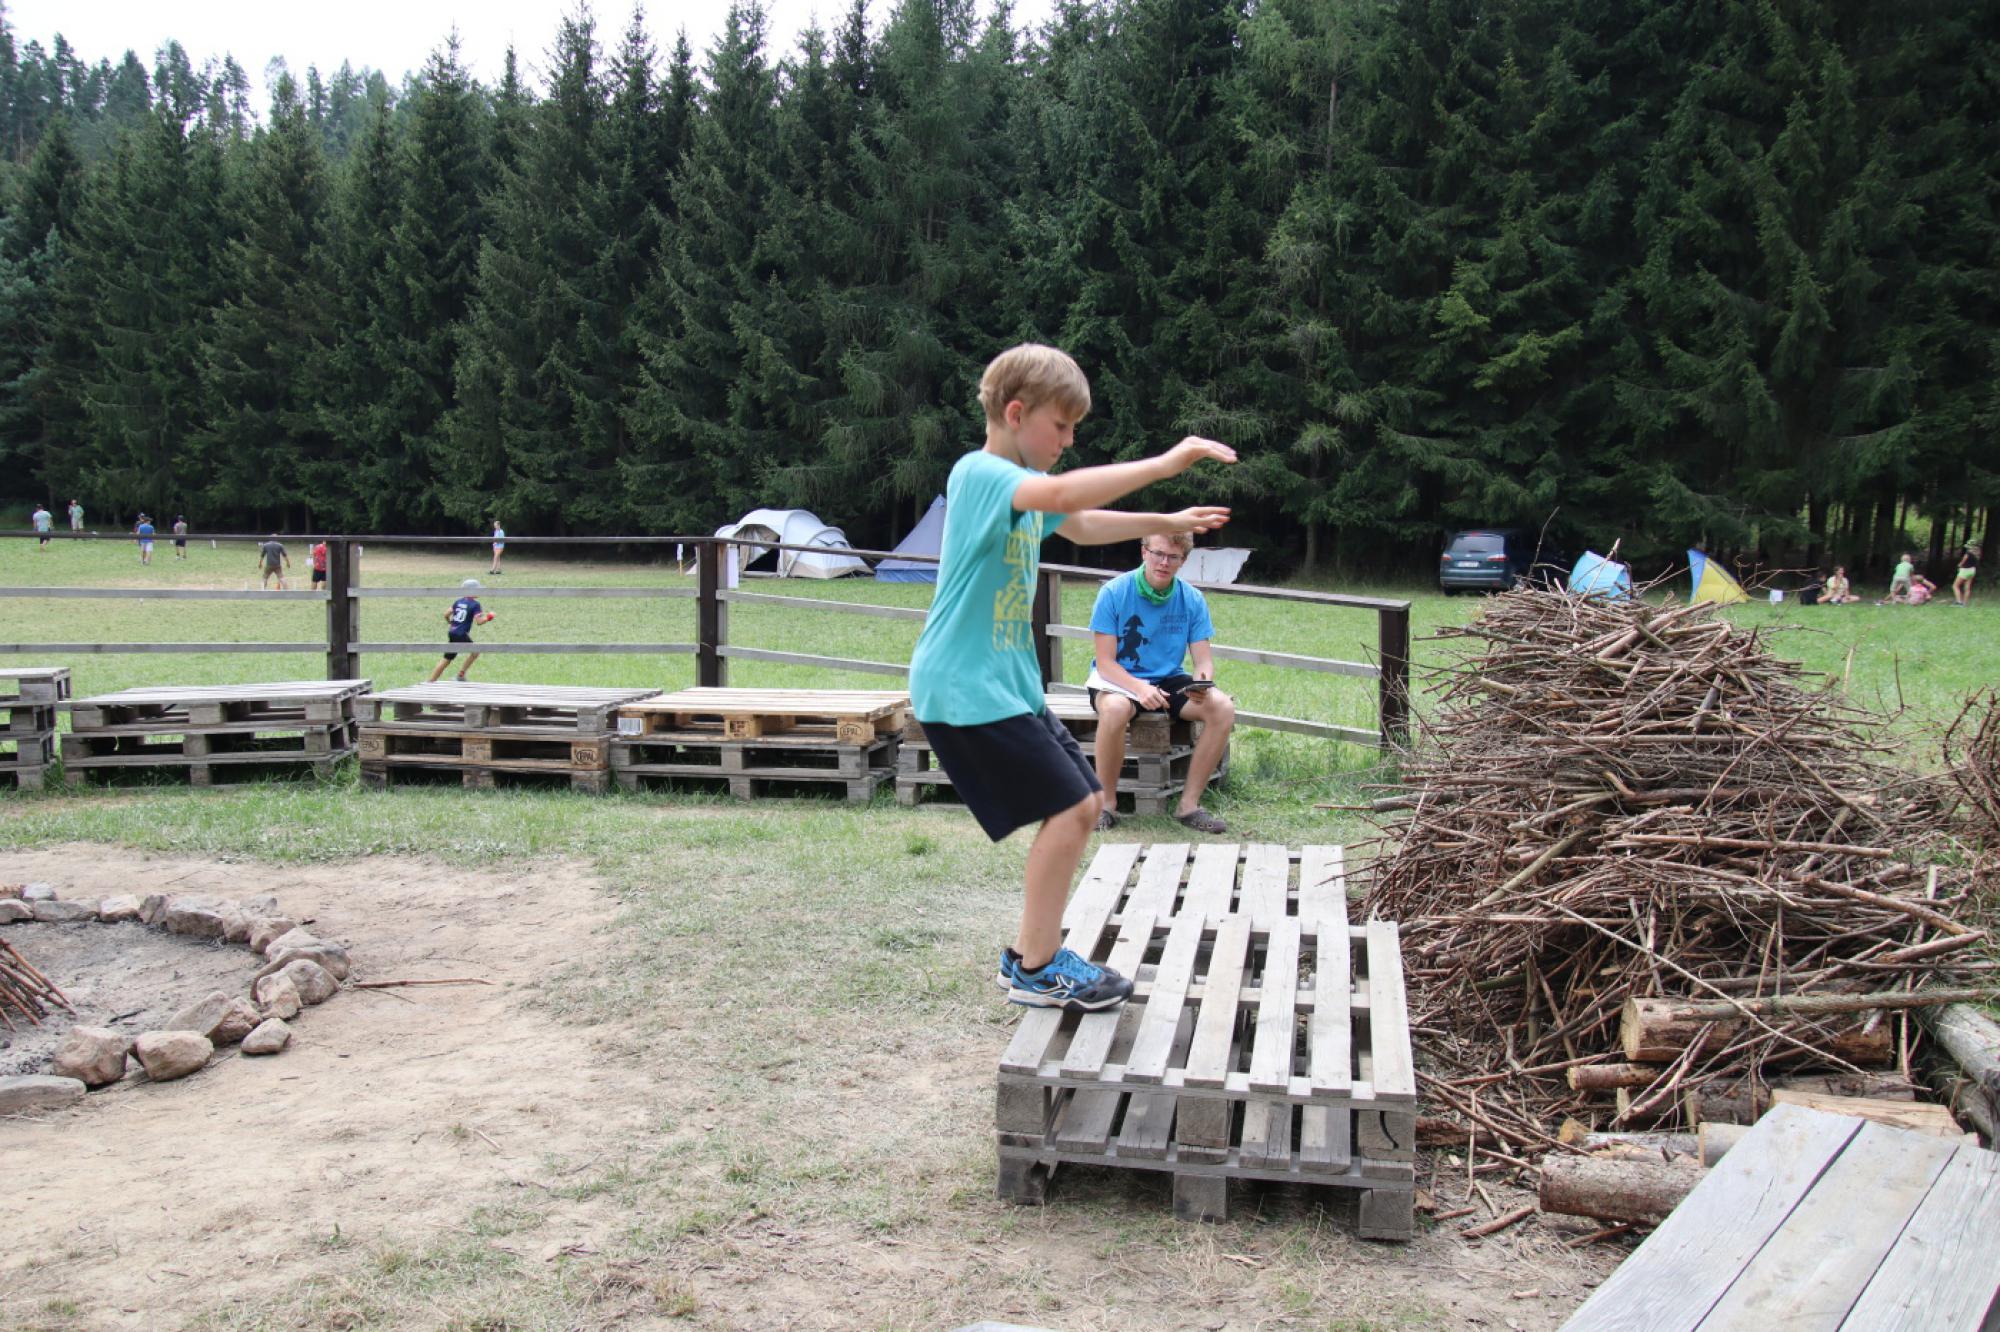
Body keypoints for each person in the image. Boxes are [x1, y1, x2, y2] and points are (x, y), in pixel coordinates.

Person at [907, 343, 1233, 1014]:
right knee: (1075, 807)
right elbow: (1060, 495)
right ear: (1016, 413)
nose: (1069, 440)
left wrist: (1166, 522)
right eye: (1061, 426)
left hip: (1007, 685)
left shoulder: (1024, 492)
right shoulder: (980, 474)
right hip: (963, 686)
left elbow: (1079, 523)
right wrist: (1166, 463)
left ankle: (1029, 957)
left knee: (1082, 803)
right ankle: (1036, 965)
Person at [1086, 530, 1236, 834]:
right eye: (1158, 554)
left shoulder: (1192, 598)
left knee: (1222, 708)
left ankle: (1189, 806)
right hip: (1119, 679)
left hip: (1168, 678)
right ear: (1144, 552)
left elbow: (1203, 661)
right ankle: (1106, 804)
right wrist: (1140, 688)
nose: (1164, 562)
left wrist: (1202, 681)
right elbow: (1105, 663)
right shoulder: (1114, 592)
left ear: (1183, 560)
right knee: (1115, 709)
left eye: (1173, 557)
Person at [428, 578, 497, 681]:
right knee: (475, 652)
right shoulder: (475, 604)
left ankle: (430, 681)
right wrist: (489, 617)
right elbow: (479, 622)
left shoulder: (458, 601)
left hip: (452, 632)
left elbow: (446, 614)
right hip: (461, 634)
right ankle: (461, 675)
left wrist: (450, 623)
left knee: (447, 659)